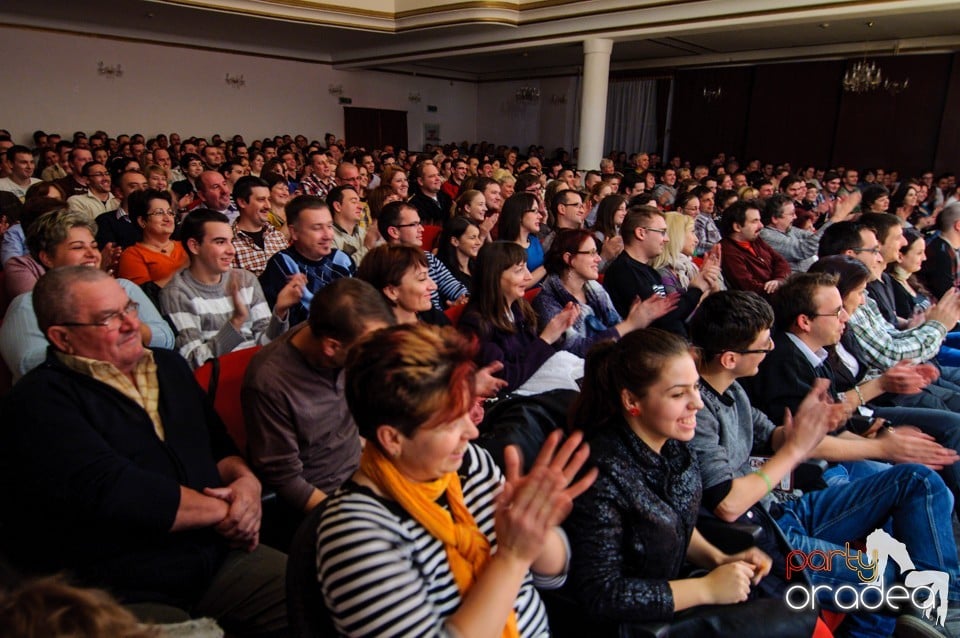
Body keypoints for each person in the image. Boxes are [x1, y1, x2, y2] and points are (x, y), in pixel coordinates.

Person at [0, 267, 288, 636]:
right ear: (62, 337)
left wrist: (246, 484)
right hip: (118, 584)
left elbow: (219, 447)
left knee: (315, 590)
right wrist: (231, 511)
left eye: (130, 308)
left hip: (214, 554)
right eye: (108, 318)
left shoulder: (168, 366)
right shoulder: (39, 402)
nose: (131, 324)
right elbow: (118, 492)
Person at [689, 290, 960, 638]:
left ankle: (937, 607)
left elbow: (778, 437)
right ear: (729, 358)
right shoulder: (697, 414)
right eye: (763, 344)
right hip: (768, 540)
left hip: (784, 512)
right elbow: (727, 503)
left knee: (916, 481)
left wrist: (816, 425)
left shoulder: (735, 390)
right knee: (886, 578)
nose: (772, 348)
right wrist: (801, 446)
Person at [316, 323, 596, 637]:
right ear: (392, 438)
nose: (473, 432)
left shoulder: (467, 463)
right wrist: (513, 557)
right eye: (451, 423)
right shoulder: (354, 534)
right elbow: (515, 565)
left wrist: (535, 528)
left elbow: (552, 576)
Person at [564, 329, 816, 636]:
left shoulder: (672, 445)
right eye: (678, 394)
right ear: (632, 400)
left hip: (679, 592)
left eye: (695, 387)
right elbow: (602, 595)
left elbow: (673, 521)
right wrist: (706, 589)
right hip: (637, 625)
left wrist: (718, 558)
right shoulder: (600, 473)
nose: (697, 403)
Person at [243, 278, 394, 528]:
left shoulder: (346, 342)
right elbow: (287, 479)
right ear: (331, 347)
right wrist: (346, 523)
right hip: (323, 500)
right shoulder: (269, 382)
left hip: (364, 471)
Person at [0, 213, 173, 383]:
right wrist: (101, 336)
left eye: (94, 246)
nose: (92, 254)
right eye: (78, 247)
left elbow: (166, 338)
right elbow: (28, 366)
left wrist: (127, 329)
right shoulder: (28, 304)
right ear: (47, 258)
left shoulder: (123, 287)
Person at [159, 209, 303, 369]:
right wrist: (235, 323)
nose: (231, 250)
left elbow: (267, 344)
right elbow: (192, 361)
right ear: (194, 246)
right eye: (220, 242)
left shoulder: (246, 279)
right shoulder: (177, 293)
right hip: (217, 383)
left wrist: (280, 312)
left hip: (258, 373)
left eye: (231, 241)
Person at [459, 241, 579, 394]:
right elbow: (505, 379)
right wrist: (546, 338)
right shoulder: (475, 324)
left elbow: (530, 354)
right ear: (494, 277)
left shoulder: (518, 307)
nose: (529, 277)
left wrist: (559, 330)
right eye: (519, 270)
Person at [532, 228, 674, 357]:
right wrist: (630, 324)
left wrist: (637, 321)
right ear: (569, 258)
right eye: (592, 253)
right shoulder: (546, 302)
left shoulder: (595, 290)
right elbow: (575, 350)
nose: (599, 259)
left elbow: (616, 328)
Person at [603, 205, 720, 336]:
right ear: (641, 233)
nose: (667, 239)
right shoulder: (623, 272)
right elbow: (662, 318)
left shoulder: (649, 271)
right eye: (662, 232)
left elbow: (670, 313)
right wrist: (696, 289)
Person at [259, 195, 355, 327]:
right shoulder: (283, 264)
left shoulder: (342, 259)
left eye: (329, 226)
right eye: (317, 228)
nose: (328, 235)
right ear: (294, 232)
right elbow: (277, 328)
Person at [356, 244, 447, 325]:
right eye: (422, 279)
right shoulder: (380, 340)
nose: (434, 286)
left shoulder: (433, 317)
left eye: (428, 275)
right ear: (392, 291)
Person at [117, 189, 188, 287]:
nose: (168, 218)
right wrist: (185, 271)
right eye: (159, 213)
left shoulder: (186, 246)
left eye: (170, 213)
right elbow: (143, 296)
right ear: (142, 221)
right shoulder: (133, 255)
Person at [718, 200, 790, 295]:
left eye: (759, 220)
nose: (761, 225)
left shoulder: (755, 240)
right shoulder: (728, 252)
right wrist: (776, 289)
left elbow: (781, 261)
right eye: (754, 221)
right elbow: (749, 288)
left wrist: (778, 280)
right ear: (737, 227)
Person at [499, 192, 547, 287]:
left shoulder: (534, 240)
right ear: (519, 215)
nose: (540, 216)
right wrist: (547, 267)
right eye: (534, 211)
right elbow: (517, 285)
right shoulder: (504, 249)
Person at [436, 215, 482, 293]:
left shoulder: (477, 267)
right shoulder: (444, 273)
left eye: (478, 237)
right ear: (455, 241)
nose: (479, 242)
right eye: (472, 238)